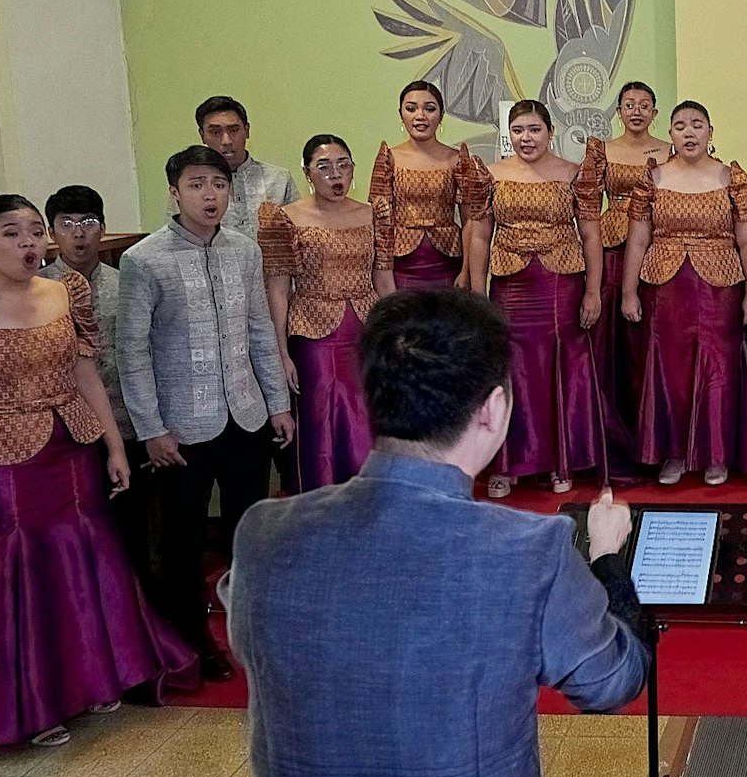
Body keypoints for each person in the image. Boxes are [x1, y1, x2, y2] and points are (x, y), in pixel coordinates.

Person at [225, 287, 650, 777]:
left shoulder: (263, 534)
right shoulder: (529, 553)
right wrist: (611, 561)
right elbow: (614, 678)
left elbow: (255, 638)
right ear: (493, 408)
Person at [0, 195, 197, 747]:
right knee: (23, 577)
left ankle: (95, 679)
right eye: (12, 234)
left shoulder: (66, 293)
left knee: (85, 563)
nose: (28, 244)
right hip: (2, 461)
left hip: (71, 446)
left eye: (34, 232)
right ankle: (33, 706)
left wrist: (114, 445)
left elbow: (87, 376)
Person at [119, 145, 295, 681]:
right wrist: (151, 429)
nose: (209, 195)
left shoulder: (244, 250)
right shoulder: (143, 259)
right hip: (181, 430)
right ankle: (193, 644)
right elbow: (133, 351)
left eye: (217, 185)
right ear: (175, 193)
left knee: (250, 534)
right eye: (196, 185)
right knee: (184, 542)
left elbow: (261, 331)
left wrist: (277, 405)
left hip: (245, 417)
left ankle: (254, 636)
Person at [618, 101, 747, 484]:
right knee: (669, 371)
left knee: (719, 371)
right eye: (680, 126)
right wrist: (629, 292)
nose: (689, 132)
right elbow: (638, 239)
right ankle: (673, 453)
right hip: (664, 288)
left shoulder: (732, 177)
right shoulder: (652, 179)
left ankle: (717, 453)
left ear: (711, 131)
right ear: (671, 134)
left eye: (697, 125)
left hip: (720, 288)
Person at [464, 99, 624, 497]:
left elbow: (591, 235)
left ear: (550, 132)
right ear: (509, 135)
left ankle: (559, 460)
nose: (526, 138)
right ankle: (506, 465)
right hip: (509, 288)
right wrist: (476, 294)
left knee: (560, 372)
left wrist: (592, 291)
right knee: (511, 372)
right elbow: (480, 235)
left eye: (534, 130)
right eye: (518, 131)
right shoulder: (491, 176)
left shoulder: (573, 174)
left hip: (560, 284)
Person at [259, 134, 396, 492]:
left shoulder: (372, 213)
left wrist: (397, 337)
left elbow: (384, 280)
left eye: (343, 165)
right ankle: (321, 510)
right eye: (324, 167)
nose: (336, 175)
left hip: (367, 331)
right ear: (307, 173)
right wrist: (281, 352)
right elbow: (277, 288)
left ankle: (369, 503)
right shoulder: (286, 218)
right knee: (320, 424)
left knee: (369, 419)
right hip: (313, 335)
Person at [42, 185, 151, 587]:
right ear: (52, 233)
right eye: (67, 224)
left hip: (129, 423)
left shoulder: (128, 283)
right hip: (68, 432)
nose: (78, 233)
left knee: (134, 531)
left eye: (88, 223)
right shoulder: (38, 290)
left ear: (103, 229)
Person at [580, 82, 669, 415]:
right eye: (629, 105)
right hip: (610, 247)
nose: (637, 111)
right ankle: (608, 421)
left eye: (644, 105)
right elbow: (587, 206)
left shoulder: (669, 150)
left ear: (654, 113)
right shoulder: (602, 150)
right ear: (618, 112)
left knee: (646, 335)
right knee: (608, 336)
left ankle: (647, 419)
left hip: (655, 247)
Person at [370, 80, 478, 289]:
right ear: (401, 114)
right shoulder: (388, 158)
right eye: (411, 109)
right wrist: (383, 277)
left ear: (441, 115)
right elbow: (379, 223)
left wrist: (466, 271)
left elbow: (470, 220)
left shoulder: (458, 158)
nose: (420, 116)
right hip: (400, 266)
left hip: (447, 262)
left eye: (429, 109)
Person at [171, 95, 299, 240]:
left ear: (247, 130)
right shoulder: (190, 184)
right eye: (215, 132)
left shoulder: (279, 179)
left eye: (233, 130)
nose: (226, 141)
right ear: (202, 135)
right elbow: (175, 238)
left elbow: (297, 235)